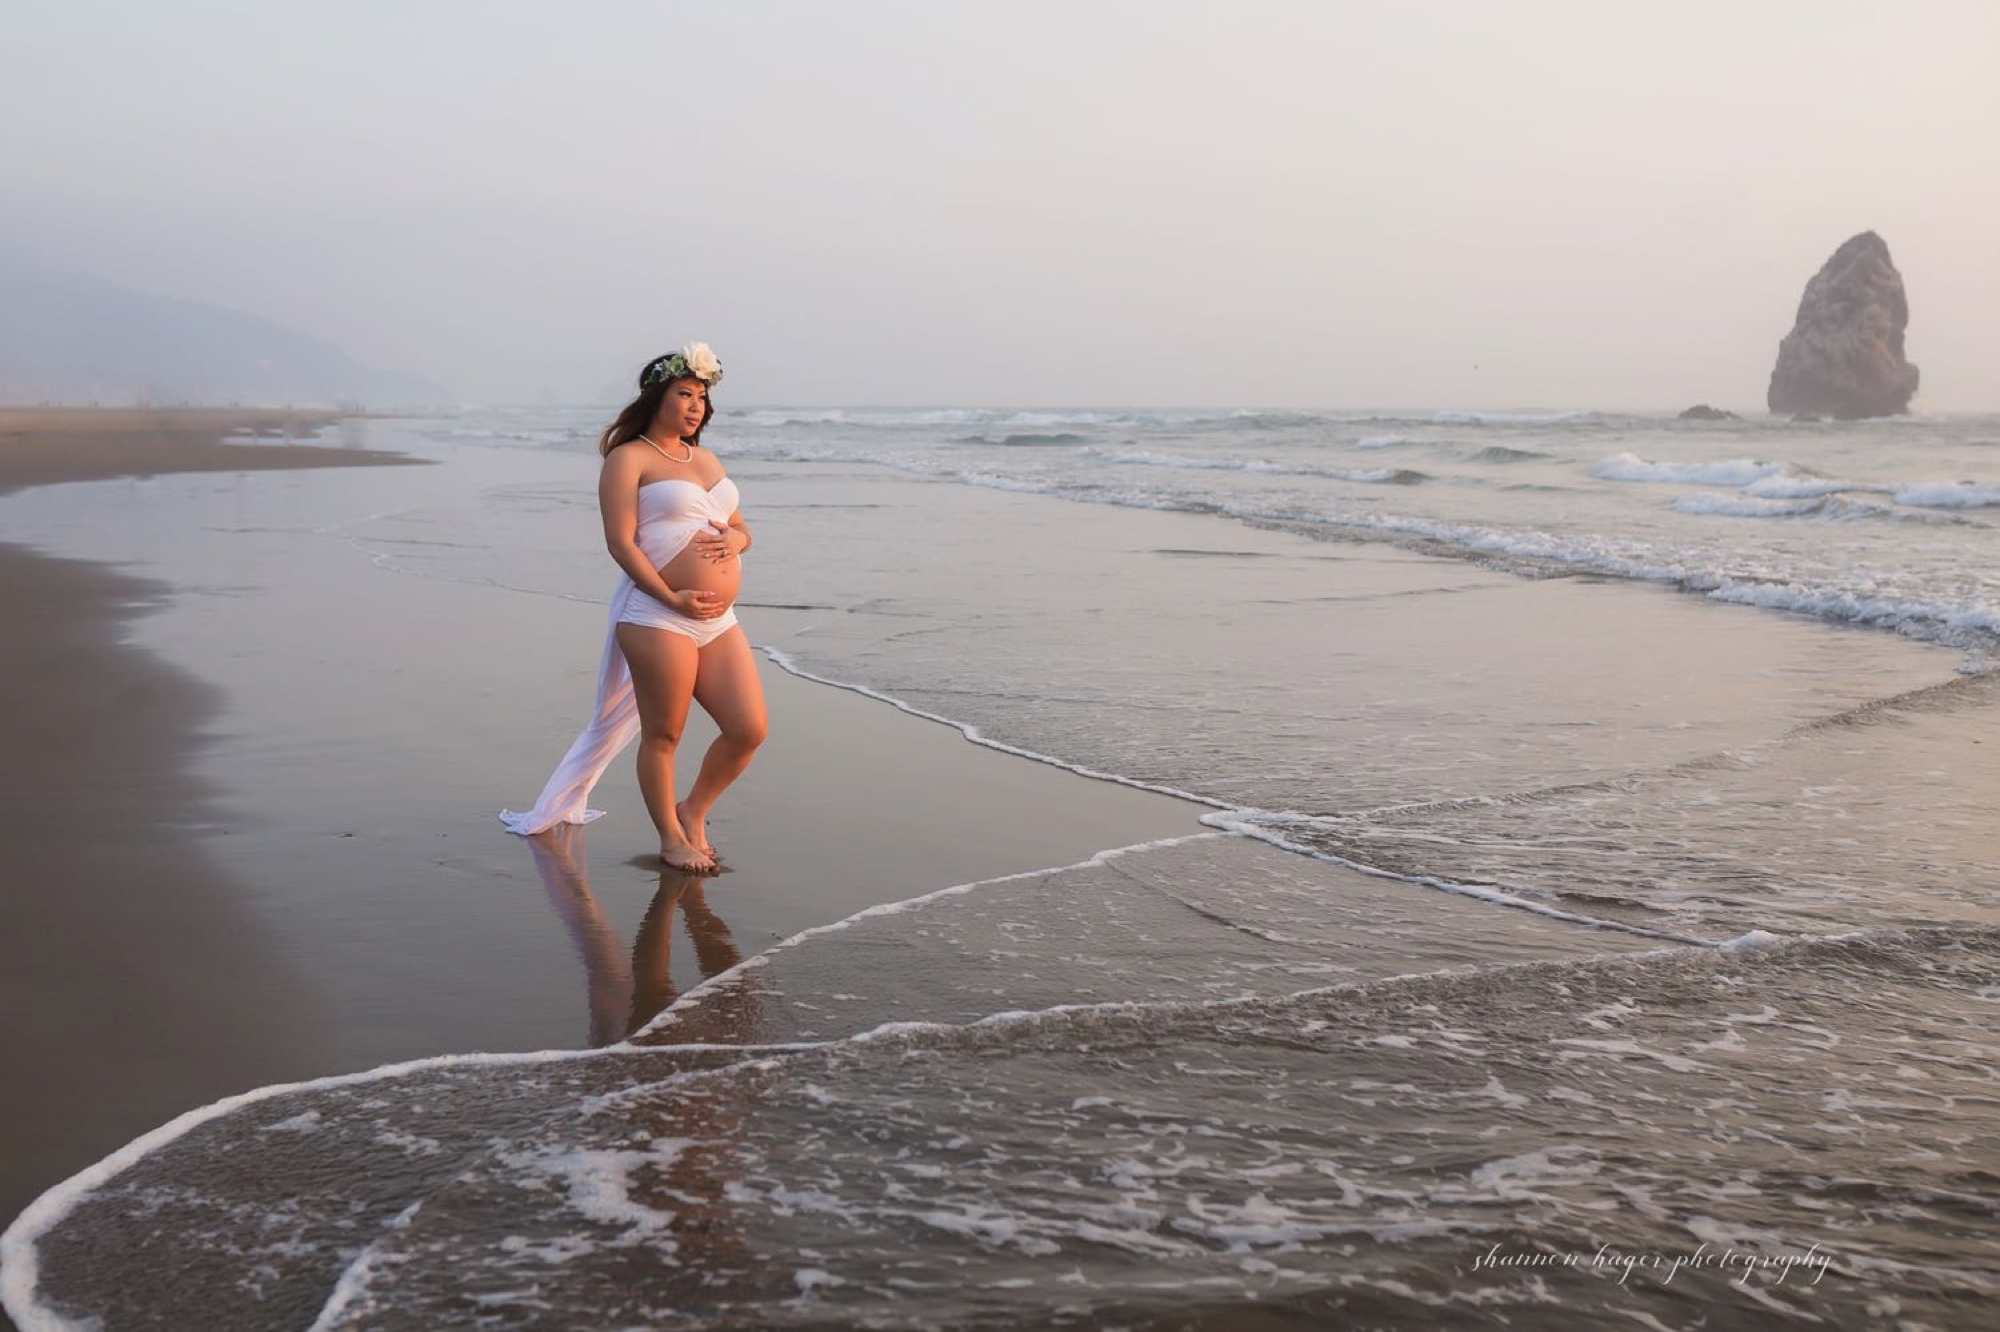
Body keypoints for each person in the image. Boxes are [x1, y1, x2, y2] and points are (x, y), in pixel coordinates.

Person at [501, 343, 768, 871]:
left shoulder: (707, 460)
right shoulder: (629, 458)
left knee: (749, 728)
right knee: (664, 733)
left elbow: (740, 528)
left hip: (717, 620)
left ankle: (692, 810)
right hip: (657, 614)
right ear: (656, 398)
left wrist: (738, 542)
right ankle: (671, 838)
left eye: (702, 398)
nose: (695, 406)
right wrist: (671, 596)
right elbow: (621, 543)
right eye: (684, 394)